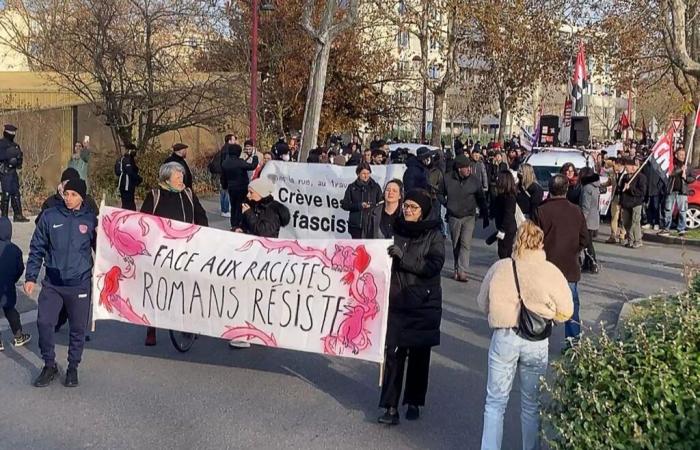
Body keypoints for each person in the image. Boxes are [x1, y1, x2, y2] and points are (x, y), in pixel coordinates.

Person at [477, 220, 573, 450]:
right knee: (531, 403)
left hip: (505, 335)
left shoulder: (500, 268)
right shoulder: (551, 272)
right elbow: (567, 311)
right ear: (541, 243)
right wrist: (550, 313)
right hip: (537, 340)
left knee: (495, 403)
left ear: (516, 240)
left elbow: (482, 302)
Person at [378, 189, 445, 425]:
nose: (407, 210)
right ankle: (390, 406)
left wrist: (403, 259)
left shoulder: (434, 235)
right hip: (396, 300)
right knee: (394, 355)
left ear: (423, 211)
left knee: (418, 356)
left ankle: (414, 401)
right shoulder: (395, 228)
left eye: (413, 207)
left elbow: (434, 265)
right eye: (406, 206)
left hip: (422, 303)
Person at [25, 178, 97, 387]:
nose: (68, 198)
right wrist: (31, 277)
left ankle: (73, 367)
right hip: (53, 283)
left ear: (82, 197)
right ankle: (49, 365)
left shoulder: (91, 220)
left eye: (73, 195)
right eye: (66, 193)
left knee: (77, 328)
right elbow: (37, 247)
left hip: (80, 283)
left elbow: (102, 250)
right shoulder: (50, 216)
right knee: (44, 322)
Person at [140, 162, 209, 346]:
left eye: (182, 176)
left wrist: (201, 233)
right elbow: (143, 222)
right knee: (158, 289)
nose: (181, 180)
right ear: (166, 178)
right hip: (161, 252)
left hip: (186, 250)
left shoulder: (188, 194)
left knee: (185, 287)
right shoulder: (155, 196)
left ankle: (186, 324)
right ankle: (151, 327)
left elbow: (201, 215)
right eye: (178, 177)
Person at [228, 176, 290, 349]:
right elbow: (245, 225)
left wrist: (248, 215)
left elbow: (265, 233)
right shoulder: (253, 206)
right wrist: (238, 229)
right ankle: (248, 331)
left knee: (256, 296)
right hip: (250, 257)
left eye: (251, 192)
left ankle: (255, 332)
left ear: (261, 193)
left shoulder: (271, 211)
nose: (248, 195)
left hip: (264, 260)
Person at [533, 174, 588, 346]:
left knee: (543, 303)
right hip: (570, 266)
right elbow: (585, 239)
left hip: (546, 266)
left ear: (549, 190)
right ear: (566, 189)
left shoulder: (540, 211)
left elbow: (532, 241)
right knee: (571, 304)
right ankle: (573, 341)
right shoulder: (576, 211)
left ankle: (540, 338)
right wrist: (574, 251)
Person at [444, 155, 488, 282]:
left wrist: (485, 215)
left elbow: (481, 199)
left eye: (469, 167)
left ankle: (463, 270)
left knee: (465, 243)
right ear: (459, 169)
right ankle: (456, 268)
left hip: (469, 216)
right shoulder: (447, 179)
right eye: (466, 167)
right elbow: (440, 193)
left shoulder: (474, 181)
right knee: (456, 243)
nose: (469, 169)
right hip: (454, 216)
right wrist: (446, 204)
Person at [0, 216, 31, 352]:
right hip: (7, 287)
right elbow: (20, 269)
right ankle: (18, 336)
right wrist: (12, 279)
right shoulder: (15, 250)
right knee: (10, 310)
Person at [221, 144, 259, 231]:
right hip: (241, 187)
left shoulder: (225, 162)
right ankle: (239, 224)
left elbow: (223, 176)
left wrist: (224, 185)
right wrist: (255, 156)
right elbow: (252, 166)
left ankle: (233, 224)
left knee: (233, 206)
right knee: (240, 206)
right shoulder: (240, 162)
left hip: (231, 187)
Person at [341, 162, 382, 239]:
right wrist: (359, 206)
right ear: (358, 174)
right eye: (363, 173)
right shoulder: (351, 187)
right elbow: (345, 205)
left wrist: (372, 206)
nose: (366, 176)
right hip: (356, 226)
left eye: (368, 173)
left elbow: (381, 203)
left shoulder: (376, 187)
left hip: (371, 225)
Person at [0, 124, 29, 222]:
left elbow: (19, 159)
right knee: (6, 193)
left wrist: (18, 159)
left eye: (13, 133)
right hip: (5, 171)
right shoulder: (1, 144)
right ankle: (4, 216)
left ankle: (18, 215)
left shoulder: (16, 145)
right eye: (11, 133)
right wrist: (10, 156)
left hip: (13, 172)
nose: (12, 134)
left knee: (16, 193)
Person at [659, 148, 690, 237]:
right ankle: (666, 228)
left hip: (682, 191)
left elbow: (692, 178)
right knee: (668, 209)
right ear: (676, 155)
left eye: (684, 155)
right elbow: (671, 173)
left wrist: (686, 177)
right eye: (680, 154)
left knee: (683, 210)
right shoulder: (672, 164)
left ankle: (681, 228)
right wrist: (681, 170)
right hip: (672, 190)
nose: (683, 157)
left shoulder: (687, 164)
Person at [620, 158, 647, 248]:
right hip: (626, 203)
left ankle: (638, 240)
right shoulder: (625, 177)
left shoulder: (641, 177)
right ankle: (630, 239)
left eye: (627, 167)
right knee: (626, 222)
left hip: (636, 203)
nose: (626, 169)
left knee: (635, 222)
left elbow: (642, 192)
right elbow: (621, 190)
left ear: (632, 167)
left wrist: (630, 188)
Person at [208, 134, 236, 217]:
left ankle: (223, 208)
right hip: (225, 173)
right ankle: (225, 210)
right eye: (233, 140)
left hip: (221, 172)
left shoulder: (223, 148)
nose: (235, 142)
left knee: (223, 191)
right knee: (227, 191)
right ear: (229, 141)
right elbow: (226, 162)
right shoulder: (228, 150)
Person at [579, 167, 601, 273]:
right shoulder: (595, 186)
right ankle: (587, 264)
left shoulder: (587, 188)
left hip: (587, 219)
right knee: (588, 242)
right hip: (594, 217)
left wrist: (581, 220)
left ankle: (593, 263)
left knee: (587, 243)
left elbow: (585, 206)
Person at [493, 171, 518, 259]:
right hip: (502, 227)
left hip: (507, 229)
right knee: (502, 251)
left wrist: (502, 230)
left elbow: (509, 214)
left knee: (505, 252)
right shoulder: (501, 196)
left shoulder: (509, 197)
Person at [605, 158, 627, 244]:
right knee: (614, 217)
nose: (614, 168)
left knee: (623, 217)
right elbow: (610, 182)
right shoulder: (612, 172)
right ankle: (613, 235)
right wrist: (601, 185)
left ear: (620, 165)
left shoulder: (626, 173)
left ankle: (622, 235)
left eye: (615, 166)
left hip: (624, 198)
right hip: (615, 197)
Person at [117, 144, 141, 211]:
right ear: (130, 150)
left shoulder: (125, 159)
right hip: (127, 186)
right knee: (128, 205)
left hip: (126, 185)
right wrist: (138, 179)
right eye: (134, 150)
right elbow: (130, 172)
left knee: (127, 204)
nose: (135, 152)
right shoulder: (127, 160)